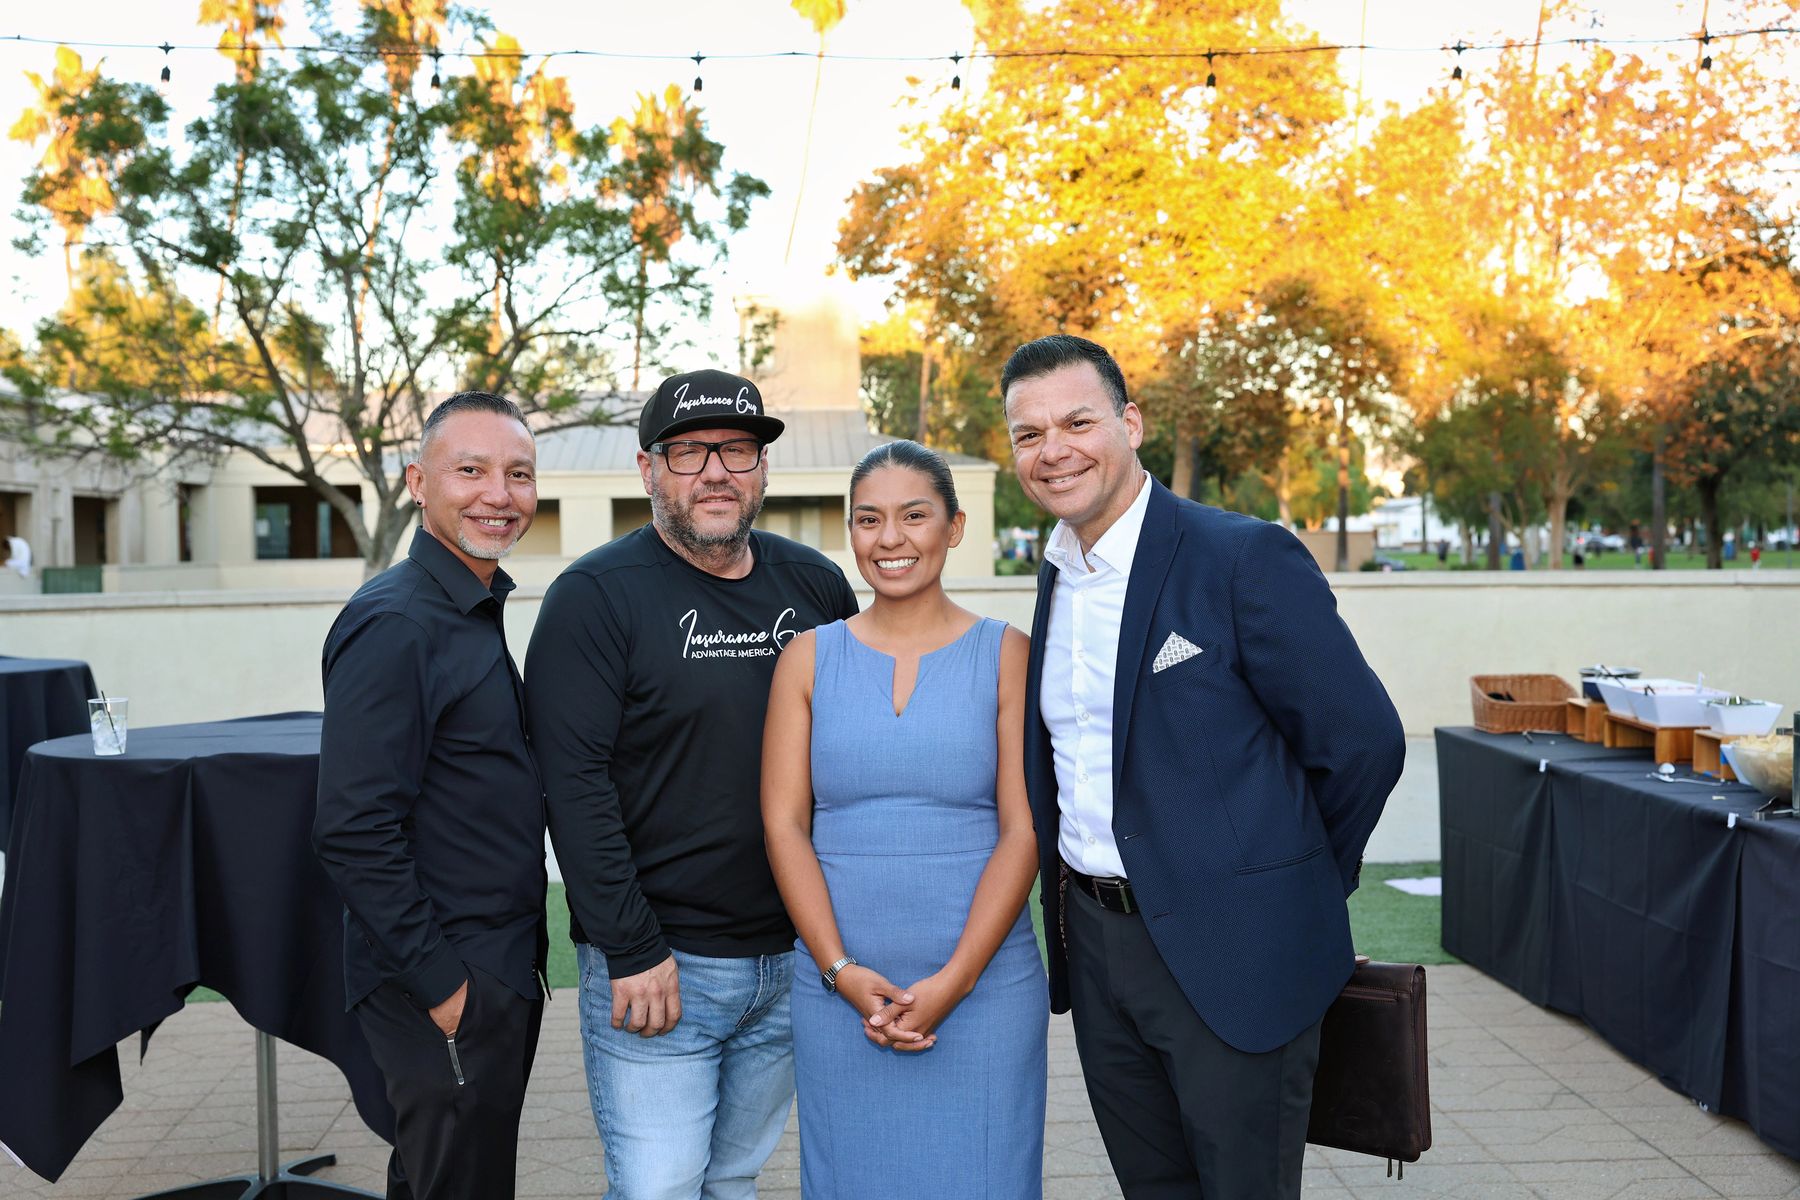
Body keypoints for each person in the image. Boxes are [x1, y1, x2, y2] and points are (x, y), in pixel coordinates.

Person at [1002, 334, 1405, 1199]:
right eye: (1029, 434)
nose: (1053, 449)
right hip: (1098, 948)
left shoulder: (1241, 557)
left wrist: (1290, 890)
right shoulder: (1058, 574)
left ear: (1132, 423)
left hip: (1237, 950)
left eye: (1077, 422)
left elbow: (1363, 743)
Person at [524, 368, 859, 1199]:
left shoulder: (816, 586)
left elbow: (851, 755)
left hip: (794, 961)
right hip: (663, 965)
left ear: (763, 468)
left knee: (734, 1179)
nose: (715, 471)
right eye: (688, 453)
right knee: (660, 1189)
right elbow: (573, 787)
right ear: (648, 470)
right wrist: (632, 948)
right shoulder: (593, 600)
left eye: (737, 450)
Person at [762, 440, 1046, 1196]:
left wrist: (955, 981)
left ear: (955, 526)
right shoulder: (806, 658)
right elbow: (785, 826)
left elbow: (1023, 831)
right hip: (838, 996)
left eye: (914, 516)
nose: (890, 538)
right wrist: (839, 970)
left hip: (985, 991)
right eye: (869, 519)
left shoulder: (1008, 653)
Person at [313, 391, 548, 1200]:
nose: (499, 494)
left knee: (437, 1181)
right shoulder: (398, 623)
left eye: (518, 474)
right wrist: (445, 988)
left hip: (490, 963)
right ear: (418, 482)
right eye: (470, 471)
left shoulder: (466, 609)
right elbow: (353, 828)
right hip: (445, 974)